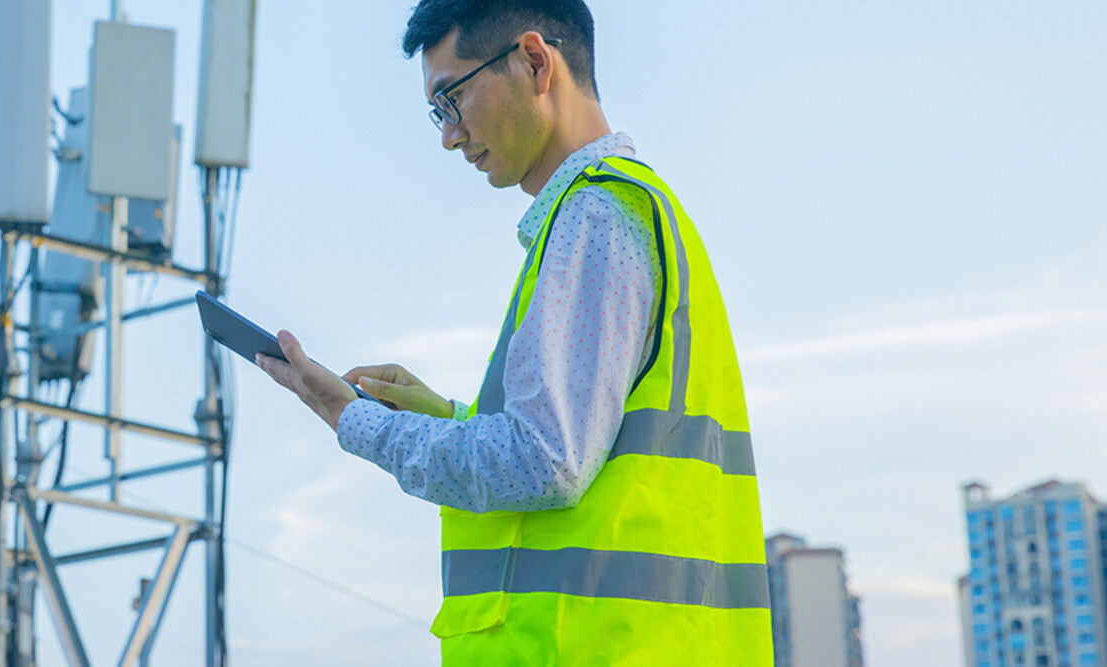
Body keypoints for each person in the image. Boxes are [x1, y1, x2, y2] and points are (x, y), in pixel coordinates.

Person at [252, 0, 772, 663]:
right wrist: (446, 416)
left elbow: (543, 461)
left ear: (533, 60)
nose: (448, 134)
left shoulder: (596, 217)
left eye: (452, 99)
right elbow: (579, 447)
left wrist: (346, 414)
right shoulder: (633, 214)